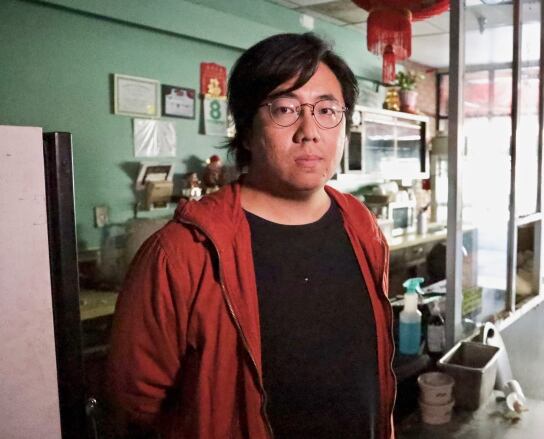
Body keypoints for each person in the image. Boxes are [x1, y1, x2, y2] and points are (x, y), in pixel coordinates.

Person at [107, 33, 395, 439]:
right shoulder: (183, 252)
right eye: (285, 109)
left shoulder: (361, 225)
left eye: (328, 109)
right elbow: (137, 400)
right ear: (245, 129)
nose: (309, 130)